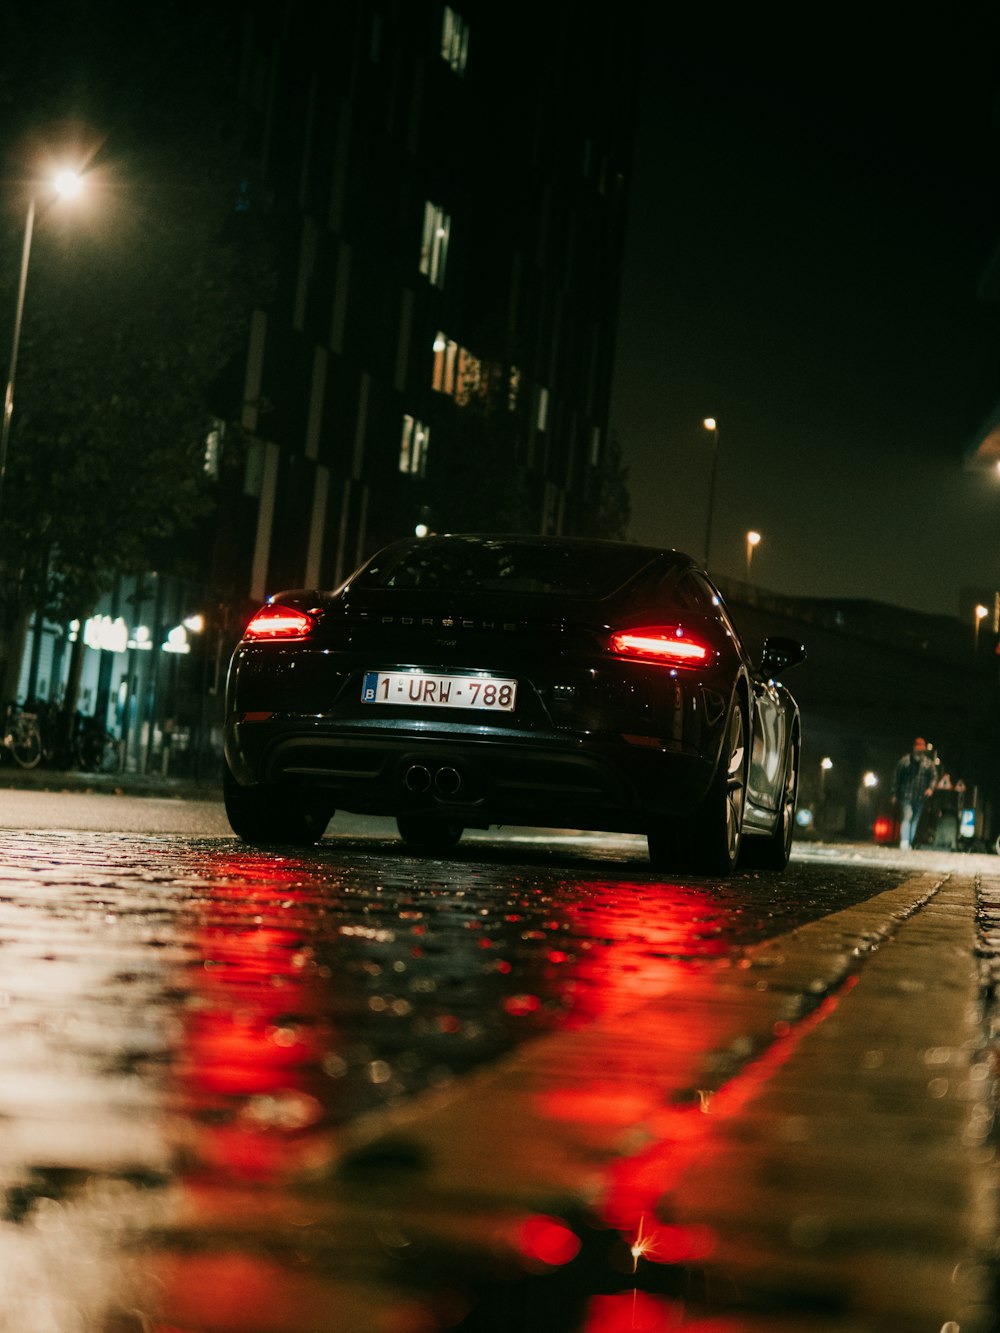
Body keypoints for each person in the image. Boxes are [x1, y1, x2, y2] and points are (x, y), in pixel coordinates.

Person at [892, 737, 937, 850]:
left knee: (915, 820)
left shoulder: (928, 763)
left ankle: (909, 842)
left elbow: (934, 777)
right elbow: (896, 777)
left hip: (920, 797)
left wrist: (930, 789)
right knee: (908, 816)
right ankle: (905, 842)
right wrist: (894, 793)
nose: (919, 751)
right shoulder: (904, 761)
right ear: (914, 748)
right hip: (906, 795)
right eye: (918, 749)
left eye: (921, 749)